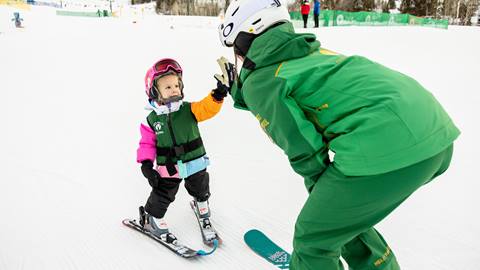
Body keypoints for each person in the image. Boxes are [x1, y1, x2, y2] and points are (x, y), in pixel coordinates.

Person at [217, 0, 460, 269]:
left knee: (313, 239)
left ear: (246, 38)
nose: (238, 58)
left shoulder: (262, 80)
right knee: (340, 220)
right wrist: (246, 90)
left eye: (236, 49)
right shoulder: (309, 53)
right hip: (436, 136)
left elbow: (304, 148)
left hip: (389, 148)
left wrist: (319, 193)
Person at [136, 58, 229, 243]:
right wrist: (146, 164)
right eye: (168, 87)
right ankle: (152, 218)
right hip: (169, 167)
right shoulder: (152, 120)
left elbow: (207, 108)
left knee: (201, 186)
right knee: (163, 193)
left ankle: (202, 207)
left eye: (176, 85)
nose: (174, 89)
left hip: (195, 162)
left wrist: (218, 94)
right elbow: (146, 144)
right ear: (154, 91)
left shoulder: (189, 109)